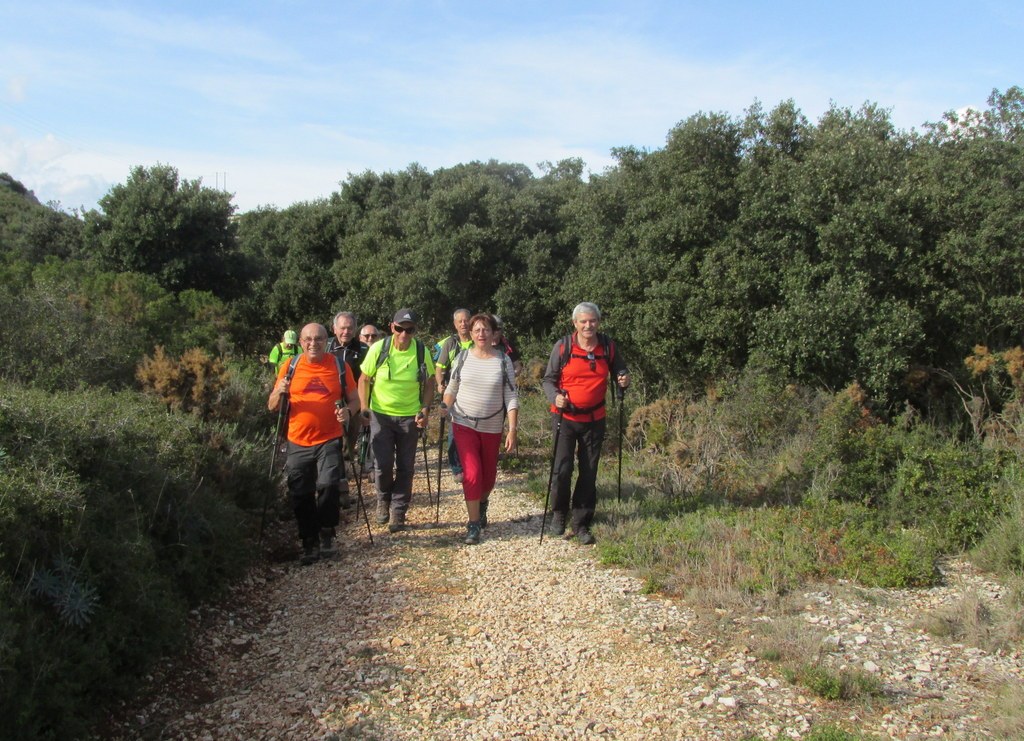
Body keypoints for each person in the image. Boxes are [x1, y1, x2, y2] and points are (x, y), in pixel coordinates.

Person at [268, 323, 359, 564]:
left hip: (329, 438)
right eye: (308, 339)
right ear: (300, 342)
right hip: (297, 439)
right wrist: (280, 392)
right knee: (300, 492)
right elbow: (271, 405)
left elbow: (354, 399)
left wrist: (348, 413)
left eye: (318, 339)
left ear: (326, 340)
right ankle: (309, 541)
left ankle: (327, 532)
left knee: (329, 485)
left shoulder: (339, 366)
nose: (313, 343)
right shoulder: (289, 367)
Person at [541, 302, 629, 545]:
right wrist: (555, 397)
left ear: (598, 322)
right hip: (565, 418)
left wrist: (623, 378)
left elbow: (620, 369)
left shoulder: (608, 346)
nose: (588, 325)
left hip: (594, 419)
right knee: (562, 470)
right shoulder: (563, 346)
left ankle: (581, 522)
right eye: (583, 321)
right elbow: (548, 380)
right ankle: (559, 514)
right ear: (575, 324)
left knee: (589, 473)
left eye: (592, 321)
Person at [442, 313, 518, 545]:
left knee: (489, 478)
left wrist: (512, 429)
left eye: (485, 329)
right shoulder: (463, 357)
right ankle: (473, 524)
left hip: (492, 427)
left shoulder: (503, 361)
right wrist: (444, 406)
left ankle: (482, 503)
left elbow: (511, 395)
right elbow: (452, 387)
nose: (481, 334)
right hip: (463, 424)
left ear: (494, 333)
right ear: (471, 334)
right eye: (477, 330)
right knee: (472, 474)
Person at [358, 308, 436, 533]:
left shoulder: (421, 351)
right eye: (400, 328)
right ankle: (384, 499)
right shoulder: (379, 349)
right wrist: (364, 407)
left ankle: (399, 509)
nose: (404, 334)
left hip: (409, 417)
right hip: (380, 415)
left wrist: (425, 408)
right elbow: (364, 379)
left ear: (414, 331)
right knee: (382, 465)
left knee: (406, 466)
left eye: (409, 330)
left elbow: (430, 381)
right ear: (392, 327)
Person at [327, 311, 369, 491]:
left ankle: (343, 470)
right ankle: (339, 480)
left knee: (349, 442)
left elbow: (369, 377)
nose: (346, 331)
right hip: (330, 402)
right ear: (334, 328)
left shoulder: (364, 350)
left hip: (354, 402)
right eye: (342, 327)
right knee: (332, 441)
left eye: (350, 328)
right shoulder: (325, 346)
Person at [434, 308, 473, 483]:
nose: (464, 324)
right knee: (454, 429)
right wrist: (440, 383)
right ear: (455, 324)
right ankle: (457, 466)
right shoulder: (451, 343)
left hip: (473, 392)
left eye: (466, 320)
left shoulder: (478, 340)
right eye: (460, 321)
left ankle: (470, 462)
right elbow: (440, 367)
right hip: (454, 392)